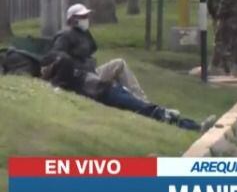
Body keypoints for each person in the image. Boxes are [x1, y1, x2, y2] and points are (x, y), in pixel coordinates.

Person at [41, 52, 215, 132]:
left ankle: (194, 125)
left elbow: (63, 62)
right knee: (149, 111)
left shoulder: (65, 70)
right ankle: (195, 126)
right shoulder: (64, 78)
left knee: (149, 110)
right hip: (108, 94)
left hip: (110, 91)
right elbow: (61, 70)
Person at [50, 4, 148, 101]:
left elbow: (92, 49)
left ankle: (142, 100)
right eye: (82, 17)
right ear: (72, 19)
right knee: (110, 88)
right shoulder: (64, 36)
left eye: (86, 16)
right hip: (82, 79)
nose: (86, 19)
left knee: (119, 64)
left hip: (93, 72)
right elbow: (57, 55)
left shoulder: (84, 34)